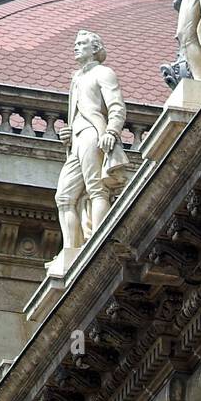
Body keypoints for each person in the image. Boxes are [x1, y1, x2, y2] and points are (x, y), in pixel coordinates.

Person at [55, 30, 129, 251]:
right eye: (75, 44)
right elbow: (78, 111)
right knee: (64, 197)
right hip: (76, 139)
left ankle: (98, 244)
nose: (75, 47)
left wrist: (112, 132)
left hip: (92, 135)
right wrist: (68, 133)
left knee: (97, 189)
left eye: (81, 44)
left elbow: (116, 106)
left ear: (95, 49)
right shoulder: (77, 78)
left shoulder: (103, 73)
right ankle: (70, 252)